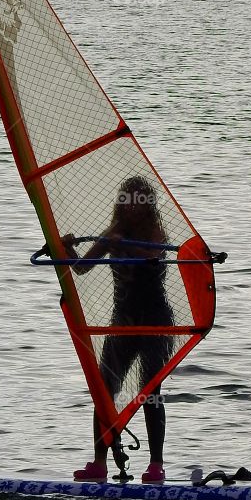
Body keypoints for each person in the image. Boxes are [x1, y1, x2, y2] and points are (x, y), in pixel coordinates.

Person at [62, 175, 173, 484]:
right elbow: (82, 267)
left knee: (151, 393)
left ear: (148, 205)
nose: (131, 204)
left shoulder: (155, 232)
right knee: (104, 391)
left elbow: (151, 257)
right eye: (126, 198)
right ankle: (99, 463)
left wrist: (124, 247)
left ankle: (156, 465)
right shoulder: (113, 233)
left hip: (155, 321)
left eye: (138, 199)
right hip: (122, 322)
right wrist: (67, 248)